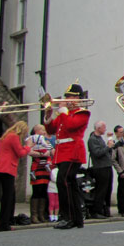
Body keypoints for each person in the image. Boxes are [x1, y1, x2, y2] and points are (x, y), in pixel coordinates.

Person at [44, 83, 91, 230]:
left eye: (70, 96)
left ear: (77, 98)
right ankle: (76, 218)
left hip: (72, 152)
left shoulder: (82, 113)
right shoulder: (64, 114)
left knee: (63, 181)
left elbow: (71, 126)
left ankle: (67, 217)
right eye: (67, 96)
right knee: (70, 185)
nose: (67, 99)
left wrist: (63, 110)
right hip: (62, 151)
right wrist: (48, 116)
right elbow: (52, 129)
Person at [0, 121, 32, 231]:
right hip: (7, 168)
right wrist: (28, 147)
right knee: (8, 197)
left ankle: (7, 220)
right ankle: (4, 224)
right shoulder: (14, 137)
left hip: (0, 167)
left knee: (10, 195)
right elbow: (20, 153)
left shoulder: (7, 135)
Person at [27, 124, 53, 223]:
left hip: (45, 168)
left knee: (43, 190)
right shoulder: (32, 140)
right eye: (42, 130)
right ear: (37, 130)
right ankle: (34, 215)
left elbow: (51, 151)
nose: (44, 132)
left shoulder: (46, 141)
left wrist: (49, 152)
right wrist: (42, 154)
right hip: (37, 167)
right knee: (36, 190)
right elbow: (30, 152)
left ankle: (41, 214)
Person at [88, 121, 114, 219]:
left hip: (107, 166)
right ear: (98, 128)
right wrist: (107, 147)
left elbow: (107, 151)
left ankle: (105, 209)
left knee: (107, 189)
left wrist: (109, 143)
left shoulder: (100, 138)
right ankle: (96, 210)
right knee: (101, 190)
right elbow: (97, 153)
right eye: (104, 127)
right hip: (100, 167)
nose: (105, 129)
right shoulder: (93, 139)